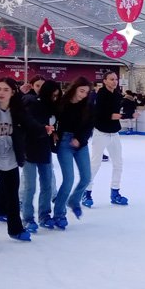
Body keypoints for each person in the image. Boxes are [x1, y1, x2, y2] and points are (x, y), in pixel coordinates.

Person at [0, 77, 42, 248]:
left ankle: (15, 229)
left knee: (12, 196)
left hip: (11, 160)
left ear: (12, 92)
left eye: (5, 90)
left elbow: (31, 125)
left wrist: (44, 129)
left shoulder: (18, 112)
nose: (1, 93)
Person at [52, 77, 93, 228]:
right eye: (81, 91)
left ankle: (74, 200)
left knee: (86, 177)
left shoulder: (88, 106)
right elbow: (52, 120)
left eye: (86, 92)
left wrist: (80, 140)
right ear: (74, 88)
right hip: (64, 143)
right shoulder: (62, 103)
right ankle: (59, 214)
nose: (83, 95)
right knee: (68, 180)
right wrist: (54, 133)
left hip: (81, 144)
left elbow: (89, 127)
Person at [84, 71, 129, 207]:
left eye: (116, 79)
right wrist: (125, 115)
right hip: (101, 132)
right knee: (95, 164)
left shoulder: (117, 94)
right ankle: (86, 193)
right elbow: (104, 115)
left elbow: (115, 113)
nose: (115, 81)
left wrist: (123, 114)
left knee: (118, 163)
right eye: (111, 79)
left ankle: (115, 192)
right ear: (104, 81)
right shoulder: (101, 95)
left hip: (114, 133)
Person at [21, 80, 58, 233]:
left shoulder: (53, 107)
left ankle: (44, 215)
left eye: (57, 95)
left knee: (47, 184)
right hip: (29, 149)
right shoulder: (32, 103)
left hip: (45, 149)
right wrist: (43, 129)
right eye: (53, 95)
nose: (55, 98)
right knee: (30, 186)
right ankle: (28, 218)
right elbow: (27, 124)